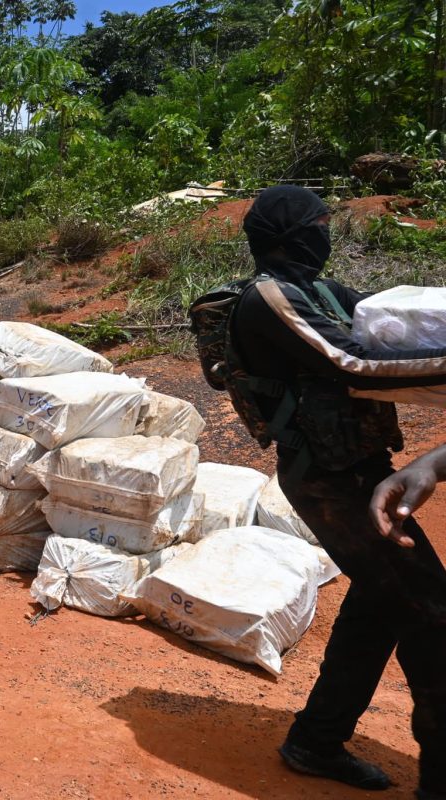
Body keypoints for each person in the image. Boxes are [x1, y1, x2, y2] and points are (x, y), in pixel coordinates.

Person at [226, 185, 446, 797]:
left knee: (381, 601)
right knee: (432, 611)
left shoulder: (323, 291)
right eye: (319, 222)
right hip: (325, 479)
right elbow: (349, 362)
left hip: (359, 467)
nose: (327, 231)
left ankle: (316, 740)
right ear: (293, 233)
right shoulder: (267, 298)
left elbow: (387, 337)